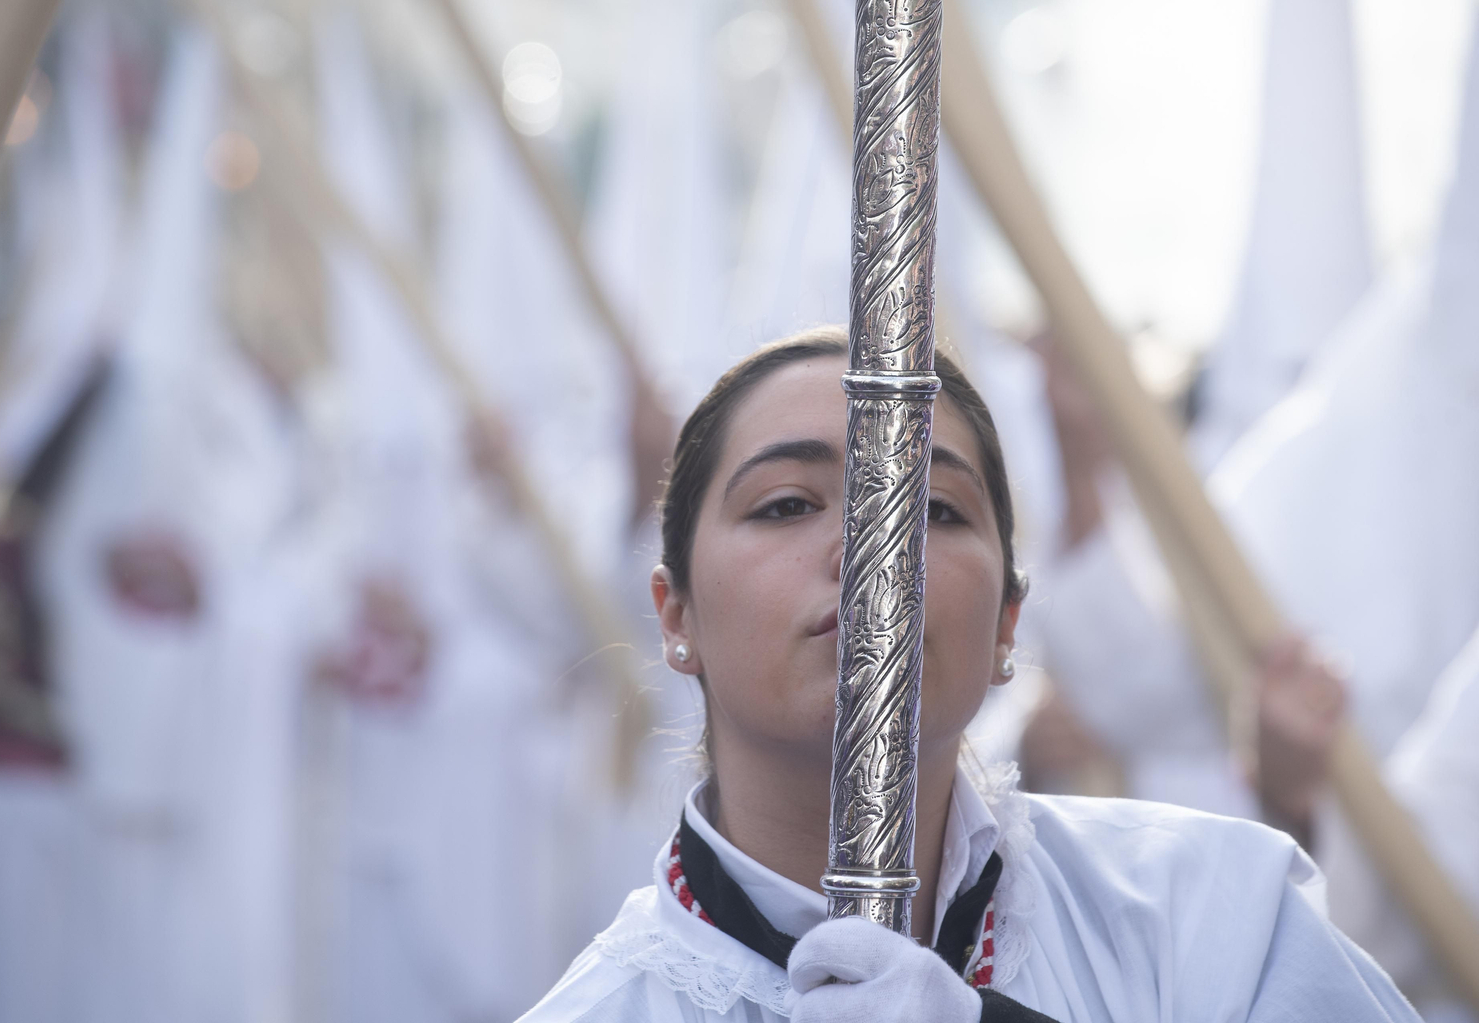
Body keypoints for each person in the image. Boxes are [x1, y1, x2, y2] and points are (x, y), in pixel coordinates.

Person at [519, 327, 1416, 1023]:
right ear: (676, 615)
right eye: (787, 504)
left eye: (935, 508)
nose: (872, 550)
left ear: (1006, 627)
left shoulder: (1212, 917)